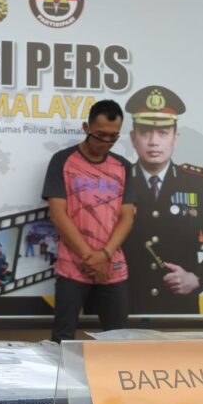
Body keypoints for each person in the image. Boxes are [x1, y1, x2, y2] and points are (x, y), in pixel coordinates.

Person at [122, 85, 203, 315]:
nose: (153, 142)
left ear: (176, 138)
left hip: (178, 307)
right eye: (145, 132)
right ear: (133, 138)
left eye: (163, 133)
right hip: (124, 304)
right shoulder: (119, 180)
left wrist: (197, 278)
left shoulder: (197, 183)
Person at [43, 99, 135, 342]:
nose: (106, 142)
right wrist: (89, 257)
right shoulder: (62, 161)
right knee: (62, 338)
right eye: (100, 135)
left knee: (119, 337)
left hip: (112, 266)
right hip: (72, 266)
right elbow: (58, 214)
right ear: (86, 127)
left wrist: (104, 256)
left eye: (113, 137)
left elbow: (127, 217)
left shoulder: (123, 167)